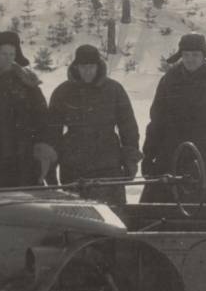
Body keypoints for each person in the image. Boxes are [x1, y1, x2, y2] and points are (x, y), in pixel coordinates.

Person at [140, 33, 206, 204]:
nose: (190, 60)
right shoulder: (168, 81)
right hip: (169, 157)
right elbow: (156, 122)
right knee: (158, 212)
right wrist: (148, 156)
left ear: (204, 56)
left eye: (195, 55)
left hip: (205, 159)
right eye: (186, 55)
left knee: (203, 217)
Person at [44, 44, 141, 206]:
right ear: (76, 67)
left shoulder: (114, 90)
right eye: (83, 66)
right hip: (73, 167)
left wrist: (130, 159)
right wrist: (50, 166)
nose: (87, 71)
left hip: (109, 166)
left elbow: (128, 128)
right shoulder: (63, 92)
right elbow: (52, 132)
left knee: (114, 215)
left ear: (98, 66)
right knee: (78, 219)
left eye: (91, 66)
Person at [0, 31, 57, 187]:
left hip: (23, 153)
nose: (8, 58)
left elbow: (41, 116)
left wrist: (43, 144)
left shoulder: (26, 81)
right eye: (4, 53)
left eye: (12, 54)